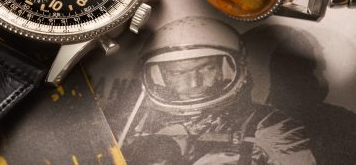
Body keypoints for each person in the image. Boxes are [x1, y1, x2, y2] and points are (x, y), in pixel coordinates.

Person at [121, 17, 315, 164]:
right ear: (163, 76)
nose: (194, 82)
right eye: (178, 73)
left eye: (207, 68)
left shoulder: (269, 127)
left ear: (226, 69)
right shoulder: (137, 123)